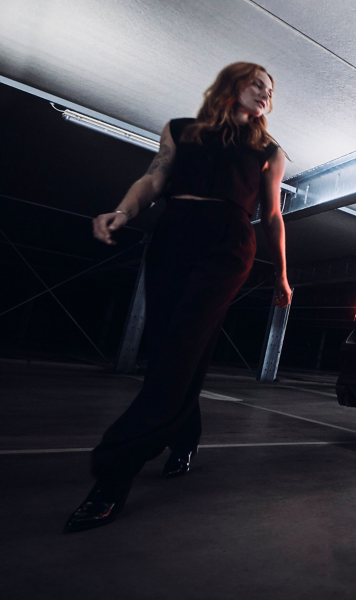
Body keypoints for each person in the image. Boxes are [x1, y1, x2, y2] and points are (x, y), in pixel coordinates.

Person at [64, 62, 291, 533]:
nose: (266, 95)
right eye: (258, 84)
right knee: (177, 349)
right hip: (172, 236)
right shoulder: (180, 130)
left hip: (228, 244)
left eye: (271, 91)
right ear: (233, 83)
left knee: (178, 352)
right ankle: (186, 437)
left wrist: (283, 276)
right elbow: (154, 180)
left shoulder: (269, 150)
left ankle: (114, 472)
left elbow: (272, 216)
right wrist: (123, 212)